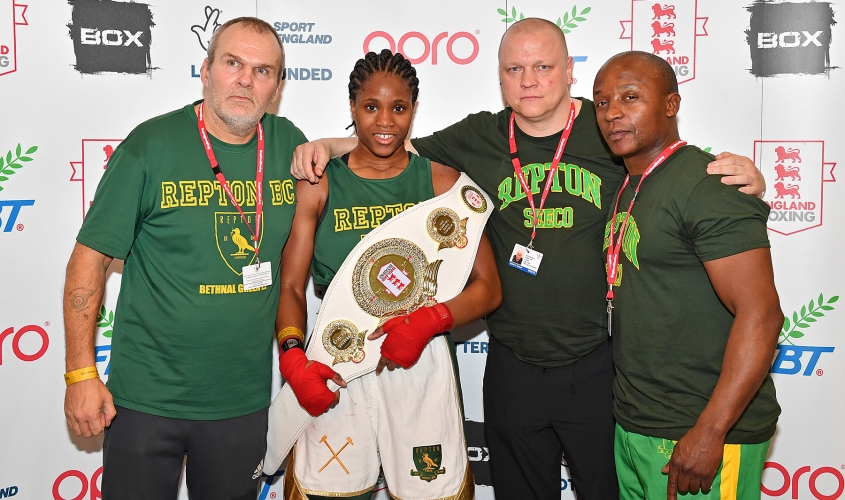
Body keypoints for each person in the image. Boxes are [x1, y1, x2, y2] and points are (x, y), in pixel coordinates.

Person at [290, 19, 766, 499]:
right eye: (514, 68)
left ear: (569, 73)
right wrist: (327, 145)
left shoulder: (608, 127)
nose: (530, 80)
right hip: (512, 365)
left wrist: (734, 174)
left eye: (543, 66)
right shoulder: (480, 135)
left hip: (598, 363)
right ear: (500, 78)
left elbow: (667, 160)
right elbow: (390, 144)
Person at [62, 17, 303, 499]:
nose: (245, 80)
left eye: (263, 71)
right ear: (206, 69)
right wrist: (81, 373)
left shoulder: (291, 145)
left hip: (243, 402)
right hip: (146, 401)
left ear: (277, 86)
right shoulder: (151, 146)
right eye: (233, 63)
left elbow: (365, 155)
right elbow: (87, 261)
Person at [276, 49, 502, 500]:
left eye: (398, 108)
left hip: (421, 363)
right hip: (338, 357)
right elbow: (290, 286)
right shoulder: (320, 183)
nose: (385, 120)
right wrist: (291, 353)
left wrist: (428, 321)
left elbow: (489, 287)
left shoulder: (442, 181)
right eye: (371, 106)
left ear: (413, 112)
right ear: (353, 109)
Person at [594, 51, 782, 500]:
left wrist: (711, 430)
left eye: (631, 96)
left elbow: (762, 314)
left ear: (671, 105)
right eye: (601, 102)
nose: (613, 112)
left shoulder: (708, 185)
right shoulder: (630, 183)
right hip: (638, 423)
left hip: (700, 433)